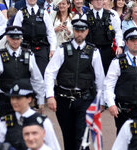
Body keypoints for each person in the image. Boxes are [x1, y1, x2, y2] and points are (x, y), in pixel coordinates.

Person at [43, 17, 104, 150]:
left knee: (82, 137)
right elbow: (49, 73)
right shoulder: (62, 49)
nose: (79, 33)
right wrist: (50, 96)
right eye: (77, 30)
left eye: (82, 30)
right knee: (68, 136)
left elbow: (100, 78)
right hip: (64, 99)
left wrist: (101, 100)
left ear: (87, 32)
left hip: (85, 99)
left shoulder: (93, 52)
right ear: (73, 31)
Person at [0, 27, 44, 117]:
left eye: (18, 38)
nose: (15, 41)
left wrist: (40, 100)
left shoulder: (29, 55)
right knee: (6, 129)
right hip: (5, 100)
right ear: (7, 37)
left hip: (24, 100)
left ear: (21, 38)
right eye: (12, 38)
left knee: (25, 129)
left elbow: (37, 79)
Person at [0, 84, 59, 150]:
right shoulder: (5, 121)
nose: (14, 102)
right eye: (12, 98)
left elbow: (53, 146)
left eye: (18, 98)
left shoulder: (42, 121)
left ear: (29, 99)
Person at [11, 0, 56, 74]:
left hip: (41, 47)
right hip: (26, 47)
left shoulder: (43, 12)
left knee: (42, 73)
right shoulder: (21, 12)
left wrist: (52, 48)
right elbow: (16, 31)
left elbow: (50, 31)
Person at [82, 0, 121, 70]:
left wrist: (119, 46)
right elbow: (82, 34)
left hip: (106, 50)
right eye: (96, 0)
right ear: (91, 1)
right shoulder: (86, 16)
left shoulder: (111, 15)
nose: (99, 2)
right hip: (91, 50)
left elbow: (118, 31)